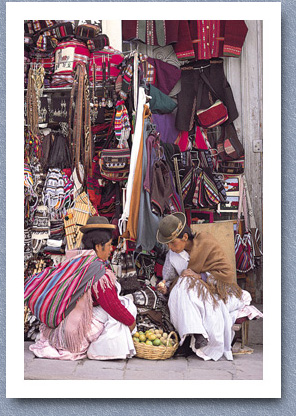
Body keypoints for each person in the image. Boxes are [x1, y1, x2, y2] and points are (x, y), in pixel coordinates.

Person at [25, 216, 137, 360]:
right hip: (73, 335)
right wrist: (130, 322)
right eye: (109, 245)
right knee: (125, 310)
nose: (111, 249)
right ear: (98, 246)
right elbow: (111, 305)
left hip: (61, 327)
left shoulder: (77, 259)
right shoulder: (97, 271)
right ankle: (101, 349)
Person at [156, 212, 262, 361]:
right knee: (183, 283)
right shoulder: (172, 256)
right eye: (167, 244)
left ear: (185, 238)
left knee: (186, 282)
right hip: (186, 295)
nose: (170, 247)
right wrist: (165, 287)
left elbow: (226, 273)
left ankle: (189, 338)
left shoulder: (206, 242)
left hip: (213, 292)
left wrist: (200, 277)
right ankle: (196, 333)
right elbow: (170, 280)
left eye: (173, 243)